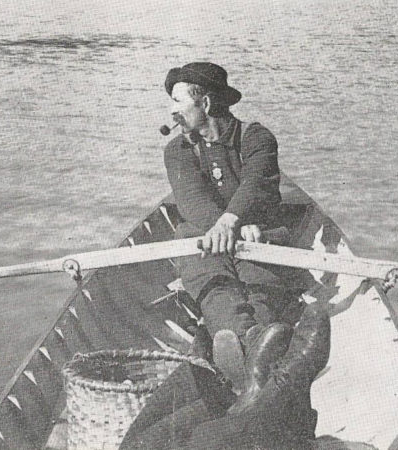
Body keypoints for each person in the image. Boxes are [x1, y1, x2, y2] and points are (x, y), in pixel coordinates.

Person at [120, 62, 331, 449]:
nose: (172, 110)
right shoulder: (177, 151)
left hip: (259, 236)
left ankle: (245, 349)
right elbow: (193, 203)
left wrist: (238, 223)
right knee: (215, 284)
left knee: (259, 281)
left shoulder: (256, 137)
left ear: (206, 100)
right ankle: (254, 352)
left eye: (178, 100)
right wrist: (225, 227)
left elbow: (259, 185)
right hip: (206, 240)